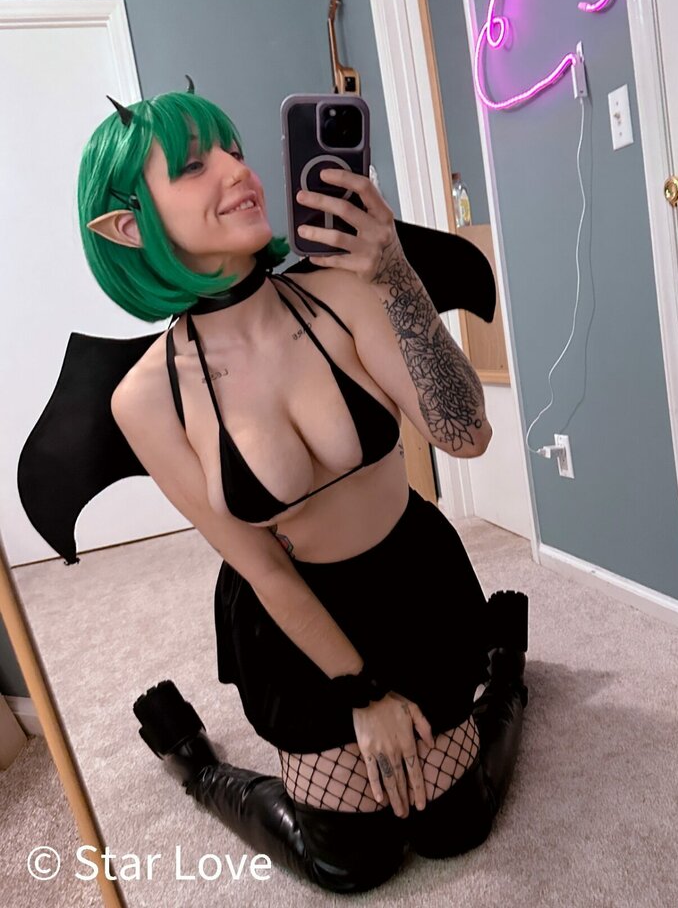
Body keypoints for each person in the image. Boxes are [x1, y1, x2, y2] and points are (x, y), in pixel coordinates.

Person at [78, 85, 529, 894]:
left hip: (415, 583)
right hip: (297, 624)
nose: (238, 172)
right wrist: (361, 693)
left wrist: (395, 275)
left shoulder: (343, 292)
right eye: (194, 166)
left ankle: (506, 675)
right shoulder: (145, 398)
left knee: (455, 825)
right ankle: (196, 766)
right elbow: (260, 564)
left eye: (234, 151)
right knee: (349, 863)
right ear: (128, 226)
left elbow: (468, 435)